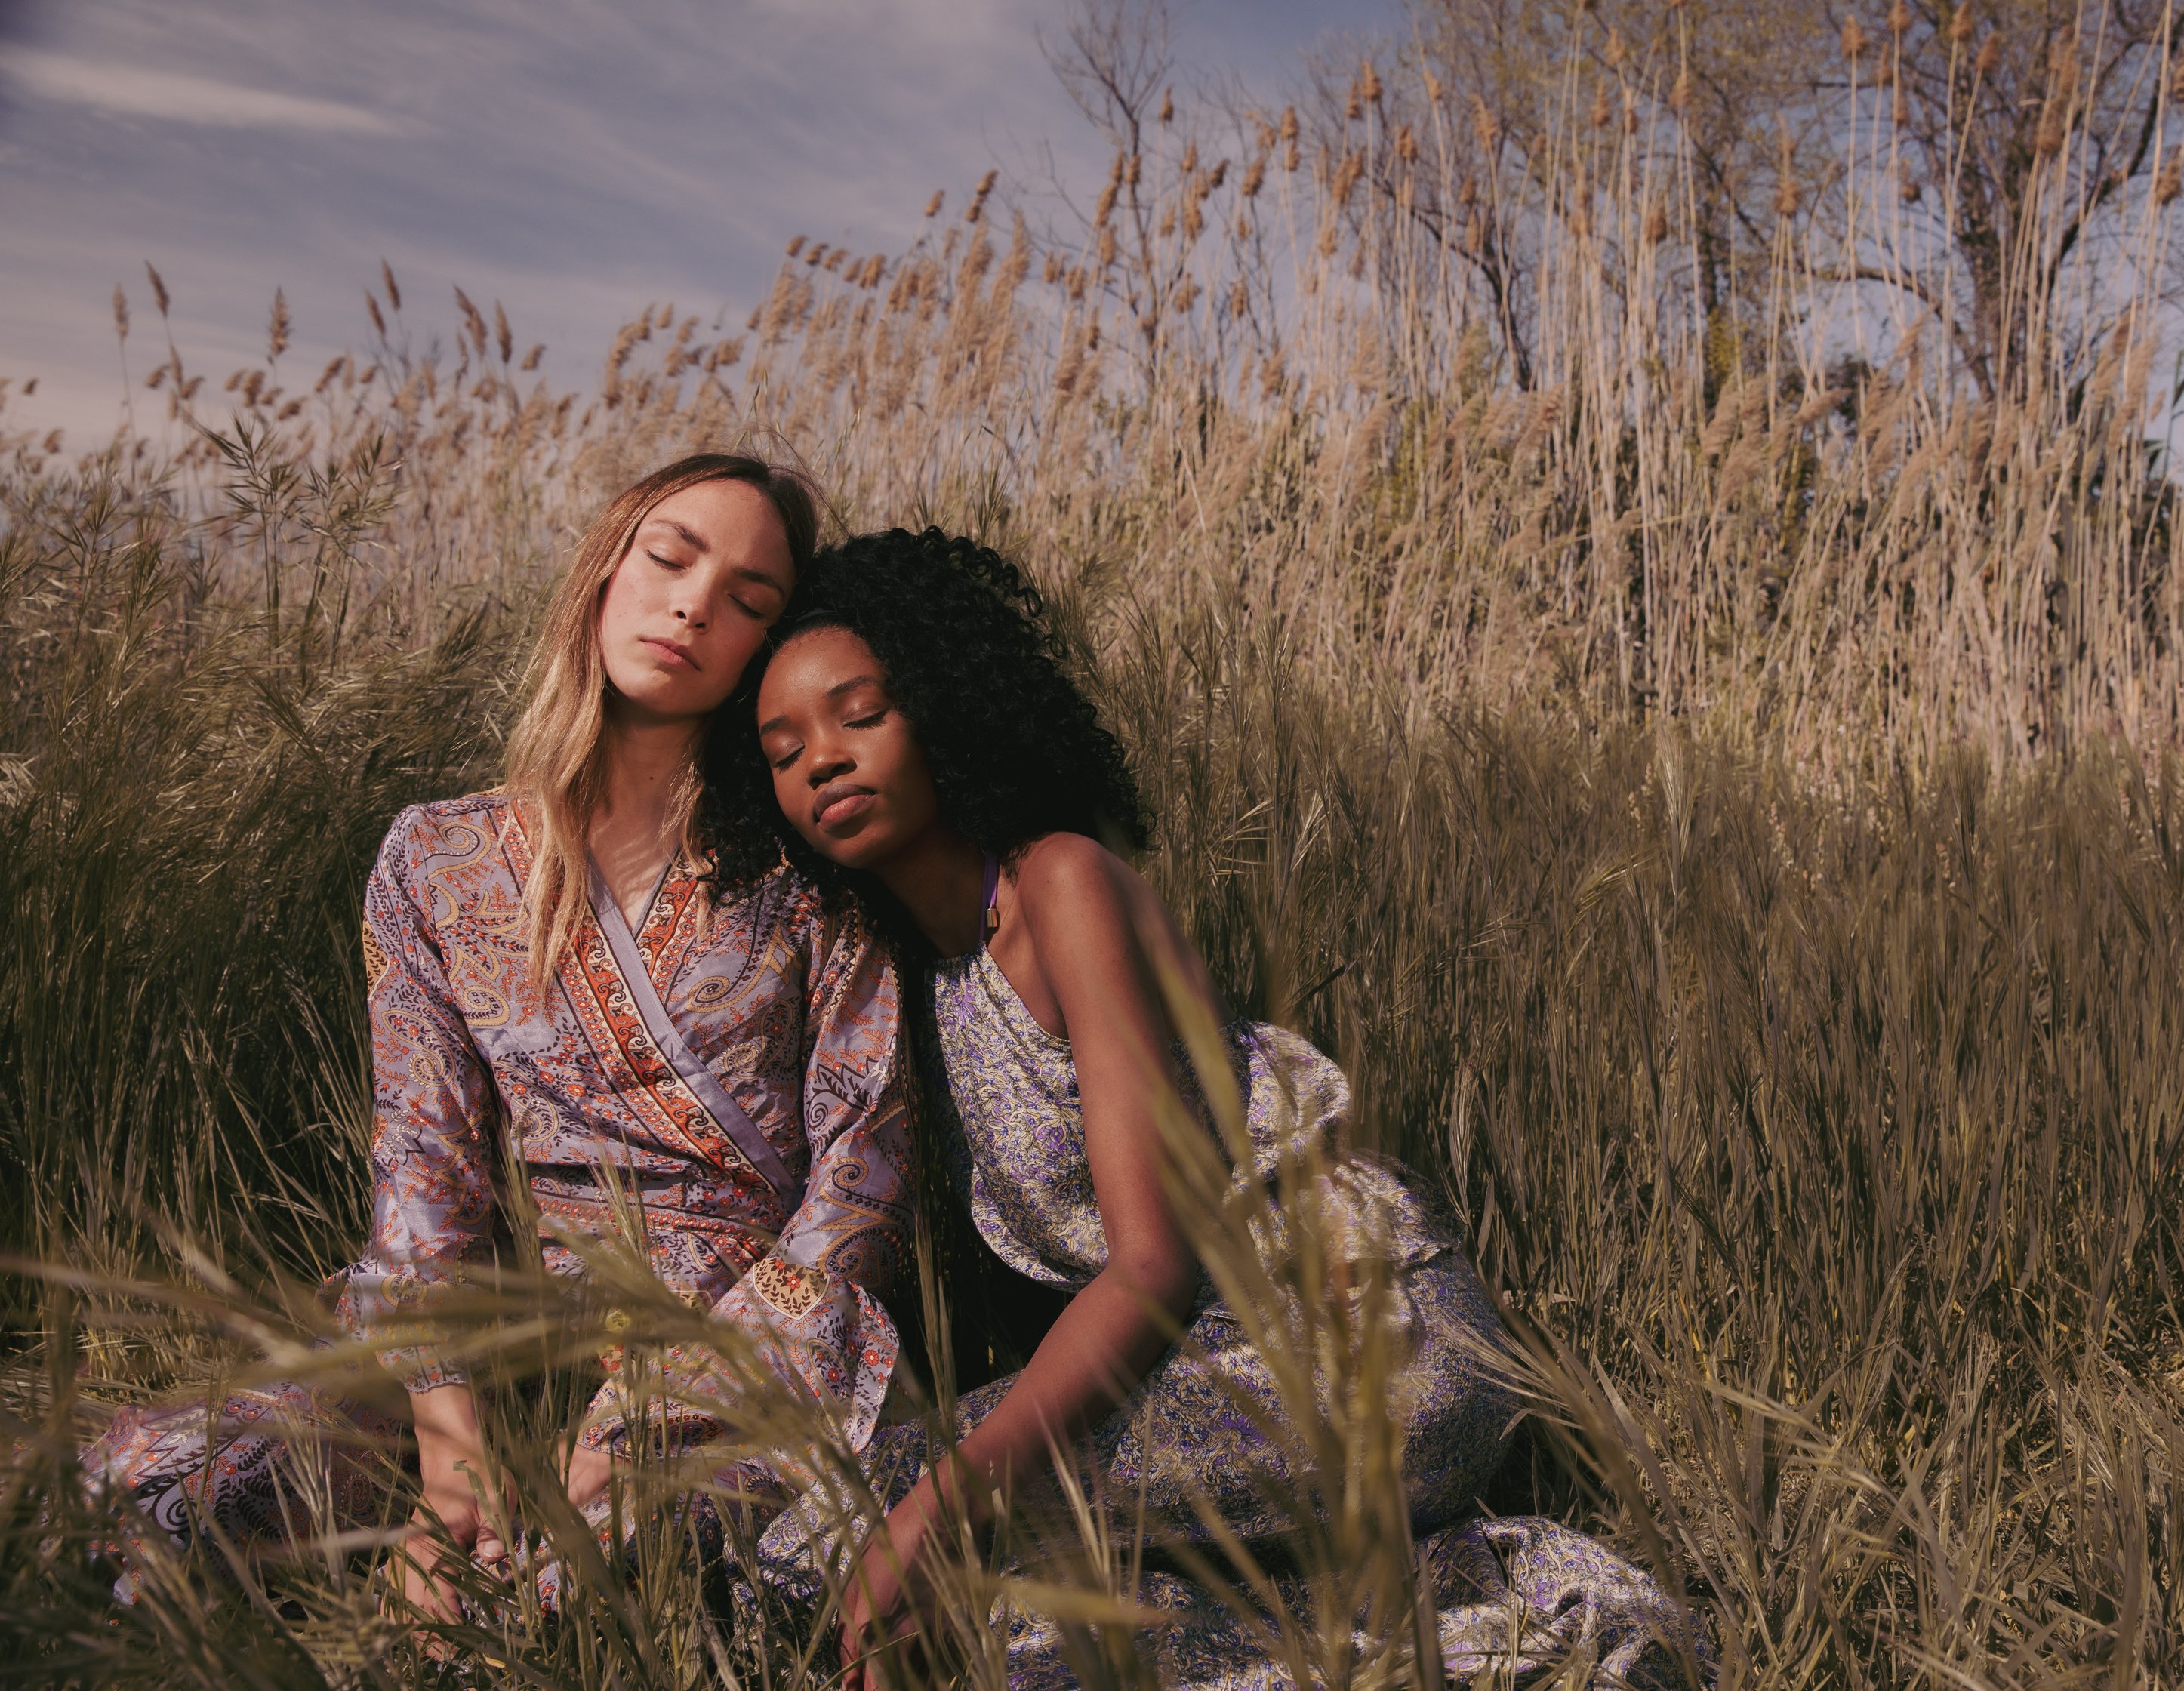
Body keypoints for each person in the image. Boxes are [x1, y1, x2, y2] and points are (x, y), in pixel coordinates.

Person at [697, 526, 1702, 1689]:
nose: (823, 759)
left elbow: (1151, 1268)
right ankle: (1397, 1626)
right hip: (1215, 1372)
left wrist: (944, 1510)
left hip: (1370, 1347)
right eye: (783, 749)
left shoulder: (1060, 883)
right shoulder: (919, 978)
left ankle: (1544, 1627)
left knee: (904, 1513)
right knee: (830, 1527)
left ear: (939, 707)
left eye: (859, 713)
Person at [82, 454, 914, 1622]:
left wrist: (663, 1408)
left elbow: (867, 1167)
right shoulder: (434, 858)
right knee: (152, 1490)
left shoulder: (810, 867)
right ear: (606, 570)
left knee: (599, 1583)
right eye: (672, 559)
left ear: (761, 653)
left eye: (748, 601)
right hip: (501, 1332)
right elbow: (426, 1170)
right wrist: (449, 1445)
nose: (694, 606)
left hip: (734, 1341)